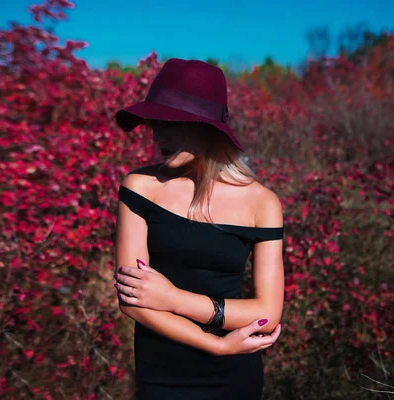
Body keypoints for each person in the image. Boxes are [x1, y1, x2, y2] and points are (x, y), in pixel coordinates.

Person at [113, 58, 284, 399]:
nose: (158, 135)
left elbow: (267, 312)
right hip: (162, 372)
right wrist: (214, 345)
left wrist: (173, 298)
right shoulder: (140, 186)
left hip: (234, 376)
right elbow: (133, 300)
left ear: (207, 127)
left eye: (172, 123)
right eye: (154, 123)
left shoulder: (262, 203)